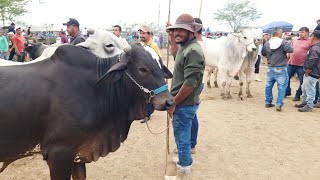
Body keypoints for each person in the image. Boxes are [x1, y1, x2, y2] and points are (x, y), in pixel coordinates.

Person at [165, 13, 204, 180]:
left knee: (182, 139)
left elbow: (190, 84)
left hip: (183, 104)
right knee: (182, 137)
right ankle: (183, 159)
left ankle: (183, 173)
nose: (177, 33)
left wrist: (174, 102)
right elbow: (175, 54)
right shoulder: (185, 47)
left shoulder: (194, 51)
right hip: (183, 103)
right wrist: (171, 35)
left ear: (192, 32)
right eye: (176, 30)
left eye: (182, 30)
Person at [261, 27, 294, 111]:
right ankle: (279, 104)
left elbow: (263, 53)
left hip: (270, 67)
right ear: (279, 33)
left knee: (268, 85)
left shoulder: (267, 43)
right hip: (281, 67)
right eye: (281, 32)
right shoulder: (283, 42)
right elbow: (291, 50)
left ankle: (268, 102)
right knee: (281, 87)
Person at [138, 24, 162, 123]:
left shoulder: (153, 46)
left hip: (151, 74)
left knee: (150, 94)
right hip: (143, 73)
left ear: (149, 34)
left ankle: (147, 114)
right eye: (140, 33)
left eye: (144, 33)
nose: (141, 35)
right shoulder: (140, 44)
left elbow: (158, 60)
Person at [294, 30, 320, 112]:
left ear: (314, 37)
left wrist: (308, 72)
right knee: (304, 88)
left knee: (310, 89)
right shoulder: (315, 46)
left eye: (311, 36)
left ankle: (309, 105)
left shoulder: (315, 48)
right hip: (312, 72)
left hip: (312, 73)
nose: (310, 38)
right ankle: (305, 102)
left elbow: (313, 61)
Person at [285, 27, 311, 101]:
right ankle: (287, 91)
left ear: (307, 33)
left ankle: (298, 94)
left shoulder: (310, 41)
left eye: (302, 32)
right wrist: (287, 59)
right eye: (299, 32)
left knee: (302, 81)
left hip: (302, 65)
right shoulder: (295, 40)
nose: (300, 33)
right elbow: (290, 50)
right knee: (286, 78)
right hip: (291, 63)